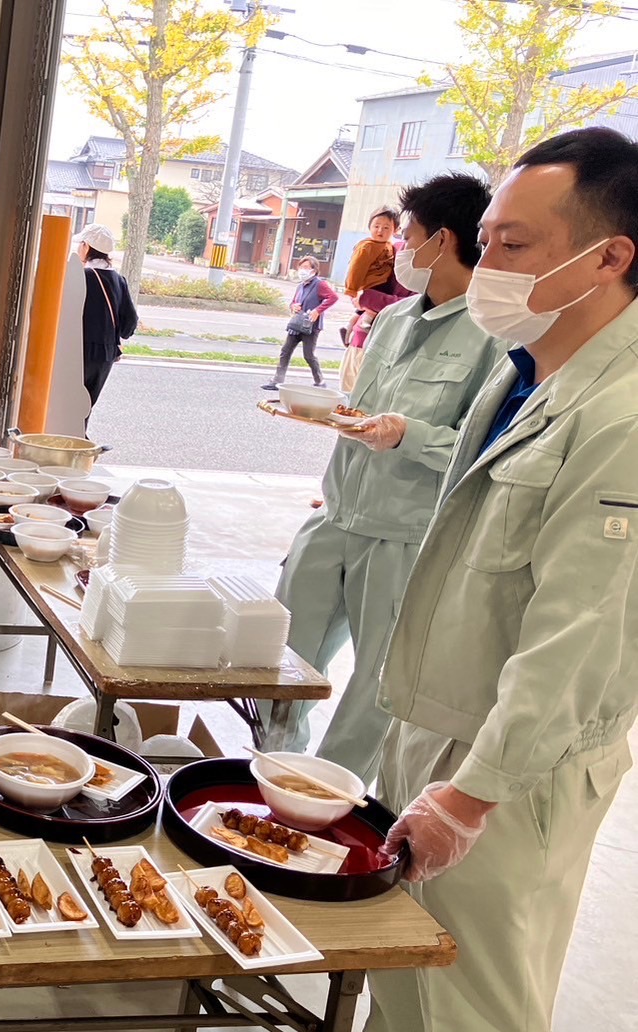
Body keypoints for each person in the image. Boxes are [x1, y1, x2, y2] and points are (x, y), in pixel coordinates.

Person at [357, 128, 638, 1032]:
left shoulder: (623, 415)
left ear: (606, 258)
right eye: (485, 238)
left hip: (510, 767)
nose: (487, 266)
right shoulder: (518, 370)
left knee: (474, 1007)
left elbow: (582, 635)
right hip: (432, 719)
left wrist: (470, 795)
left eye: (514, 245)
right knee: (400, 973)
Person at [262, 173, 505, 784]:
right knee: (275, 659)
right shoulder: (394, 319)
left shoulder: (496, 339)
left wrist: (408, 435)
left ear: (442, 240)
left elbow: (490, 458)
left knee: (375, 688)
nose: (398, 248)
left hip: (403, 538)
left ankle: (324, 801)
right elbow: (360, 413)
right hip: (334, 518)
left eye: (408, 236)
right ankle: (272, 773)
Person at [76, 223, 138, 418]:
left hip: (79, 351)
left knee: (69, 405)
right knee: (85, 408)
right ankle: (81, 443)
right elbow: (130, 323)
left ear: (86, 247)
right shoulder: (119, 280)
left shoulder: (81, 276)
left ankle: (72, 443)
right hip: (106, 355)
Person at [339, 208, 404, 392]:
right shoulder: (368, 246)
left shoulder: (393, 247)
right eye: (376, 226)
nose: (380, 231)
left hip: (374, 344)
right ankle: (358, 322)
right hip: (368, 293)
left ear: (395, 229)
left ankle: (356, 321)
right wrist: (353, 290)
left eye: (386, 227)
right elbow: (356, 269)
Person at [262, 257, 339, 391]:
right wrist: (294, 306)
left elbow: (333, 297)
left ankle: (319, 381)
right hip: (296, 324)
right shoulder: (300, 285)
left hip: (311, 326)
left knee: (308, 355)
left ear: (314, 270)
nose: (303, 270)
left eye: (307, 268)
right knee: (285, 351)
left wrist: (318, 310)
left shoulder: (320, 284)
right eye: (301, 267)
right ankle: (277, 380)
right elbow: (293, 302)